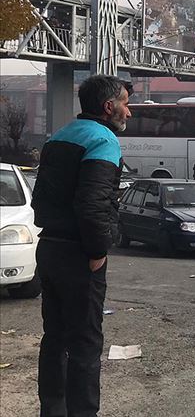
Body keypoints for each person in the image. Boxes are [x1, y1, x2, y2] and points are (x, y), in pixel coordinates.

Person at [31, 75, 133, 416]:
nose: (128, 112)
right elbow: (93, 204)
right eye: (125, 104)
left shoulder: (57, 137)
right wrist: (97, 251)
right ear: (109, 107)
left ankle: (52, 410)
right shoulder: (104, 140)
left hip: (49, 248)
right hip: (79, 253)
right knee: (86, 345)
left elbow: (40, 198)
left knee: (54, 338)